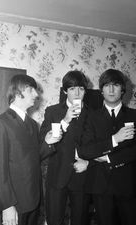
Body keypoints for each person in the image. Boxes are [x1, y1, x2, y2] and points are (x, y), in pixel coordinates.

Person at [0, 74, 61, 225]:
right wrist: (7, 205)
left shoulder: (32, 124)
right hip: (15, 203)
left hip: (33, 200)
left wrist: (48, 143)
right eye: (32, 90)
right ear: (18, 92)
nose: (36, 95)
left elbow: (33, 158)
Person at [78, 69, 136, 225]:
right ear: (101, 90)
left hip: (130, 187)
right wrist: (114, 139)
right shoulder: (90, 117)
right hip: (101, 187)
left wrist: (109, 158)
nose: (111, 90)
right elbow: (84, 150)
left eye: (115, 85)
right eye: (107, 85)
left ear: (122, 89)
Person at [39, 70, 91, 225]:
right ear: (64, 91)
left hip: (82, 177)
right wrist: (65, 120)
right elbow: (43, 142)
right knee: (54, 220)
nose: (77, 93)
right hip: (57, 176)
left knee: (80, 220)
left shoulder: (93, 113)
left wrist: (88, 163)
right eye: (72, 88)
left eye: (81, 88)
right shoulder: (52, 111)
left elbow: (98, 145)